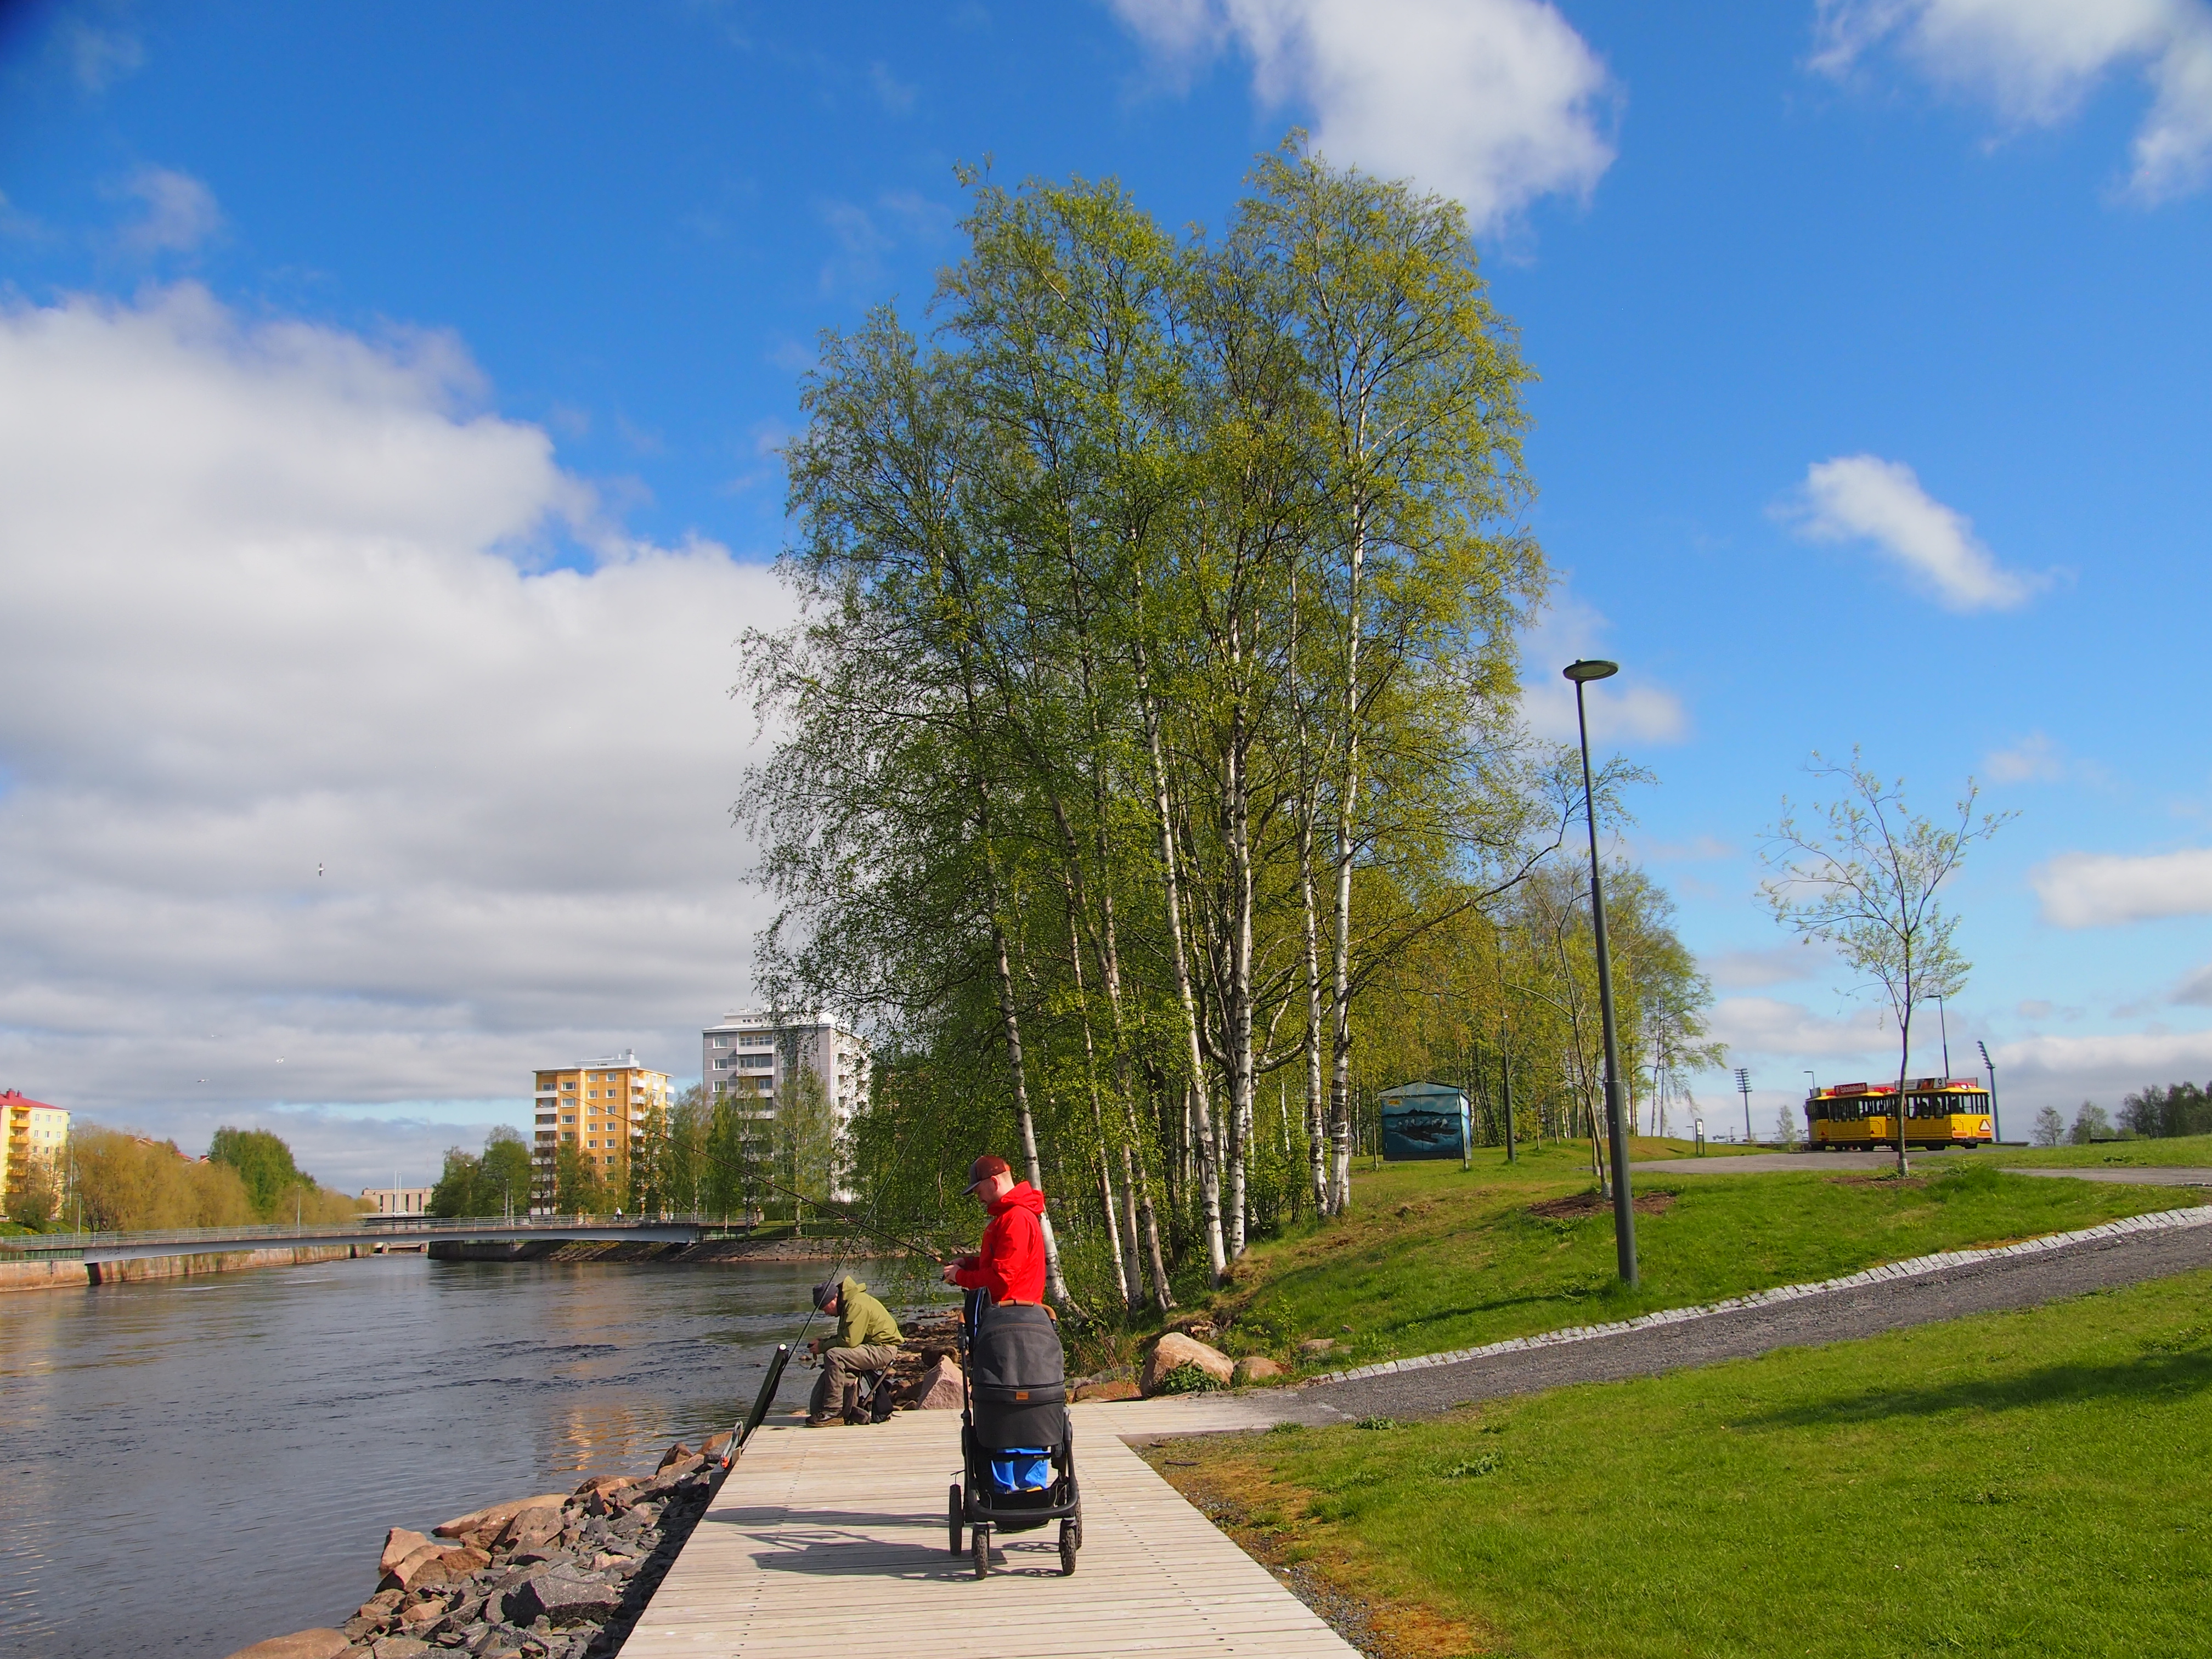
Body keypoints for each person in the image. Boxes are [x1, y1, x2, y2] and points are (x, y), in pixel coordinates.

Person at [939, 1154, 1047, 1305]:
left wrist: (960, 1276)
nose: (980, 1199)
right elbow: (1003, 1265)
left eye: (979, 1192)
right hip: (1010, 1312)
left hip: (1013, 1316)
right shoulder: (1009, 1216)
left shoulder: (1016, 1218)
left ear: (994, 1182)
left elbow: (1001, 1280)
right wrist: (968, 1264)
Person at [805, 1273, 904, 1427]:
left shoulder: (855, 1305)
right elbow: (848, 1335)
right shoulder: (849, 1303)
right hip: (873, 1346)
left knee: (834, 1356)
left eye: (825, 1308)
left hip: (883, 1349)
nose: (826, 1313)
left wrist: (824, 1347)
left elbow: (850, 1341)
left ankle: (834, 1411)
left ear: (834, 1299)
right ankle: (846, 1408)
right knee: (836, 1355)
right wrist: (824, 1342)